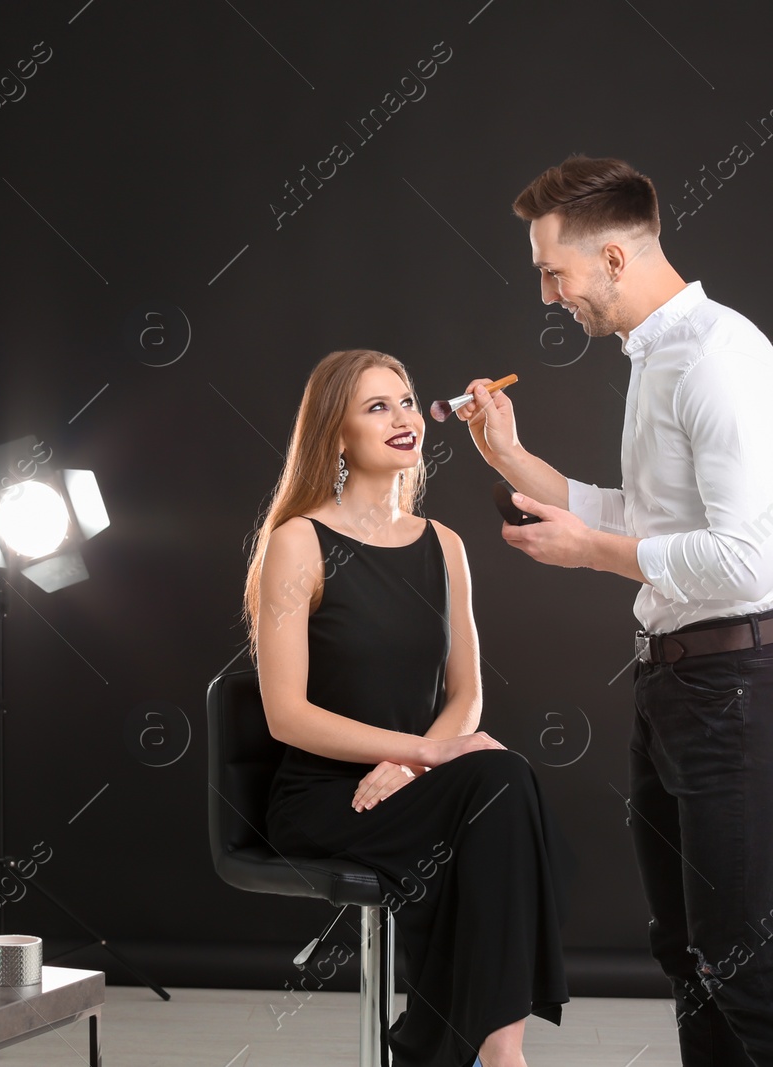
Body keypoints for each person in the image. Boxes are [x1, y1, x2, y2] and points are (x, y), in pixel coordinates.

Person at [454, 156, 773, 1067]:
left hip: (741, 686)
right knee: (692, 955)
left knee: (744, 964)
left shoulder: (717, 358)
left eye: (557, 272)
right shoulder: (657, 354)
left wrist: (590, 552)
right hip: (679, 683)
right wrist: (511, 458)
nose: (550, 296)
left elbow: (747, 556)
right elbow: (656, 519)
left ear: (618, 257)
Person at [243, 348, 572, 1067]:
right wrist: (420, 754)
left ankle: (487, 1050)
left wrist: (413, 764)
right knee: (497, 782)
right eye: (375, 406)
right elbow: (285, 716)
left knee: (501, 781)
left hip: (415, 787)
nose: (401, 418)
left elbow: (467, 695)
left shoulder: (445, 546)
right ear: (336, 434)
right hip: (329, 796)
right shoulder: (298, 542)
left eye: (405, 401)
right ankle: (476, 1054)